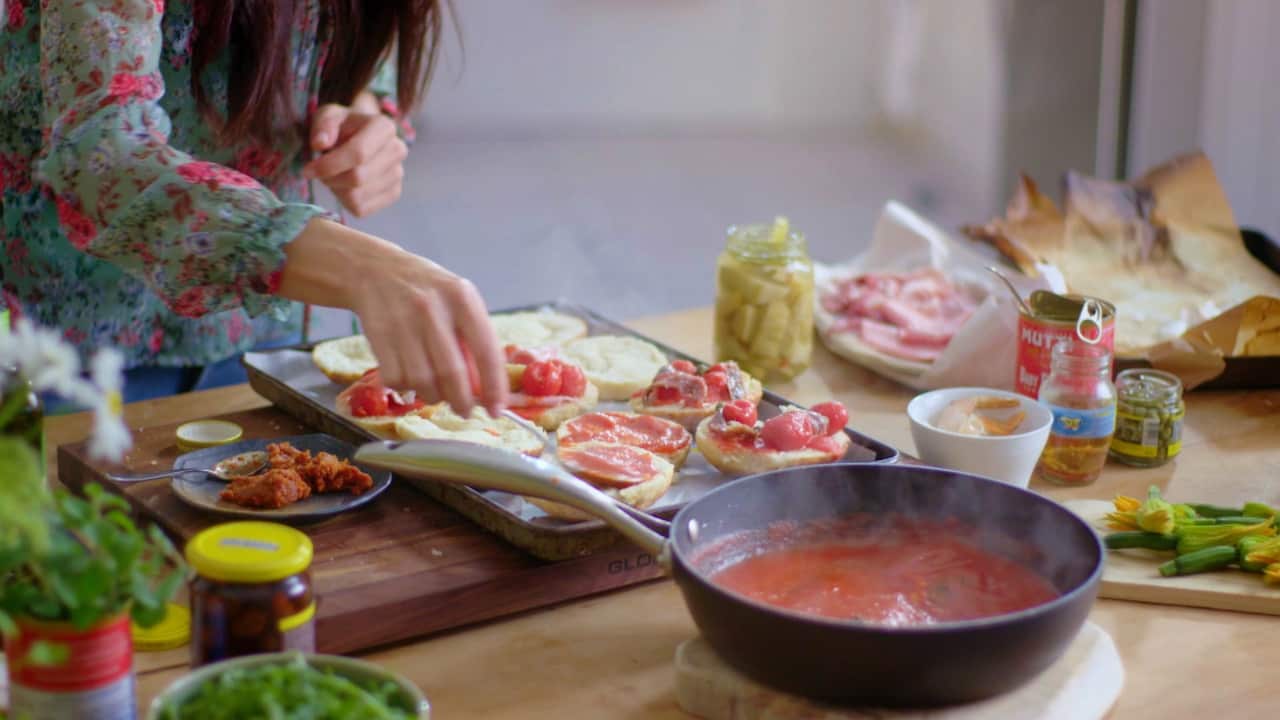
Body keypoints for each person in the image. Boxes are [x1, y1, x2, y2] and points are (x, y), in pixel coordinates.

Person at [0, 0, 507, 416]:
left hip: (259, 339)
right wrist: (356, 265)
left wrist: (366, 111)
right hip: (60, 355)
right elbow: (100, 152)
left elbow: (359, 47)